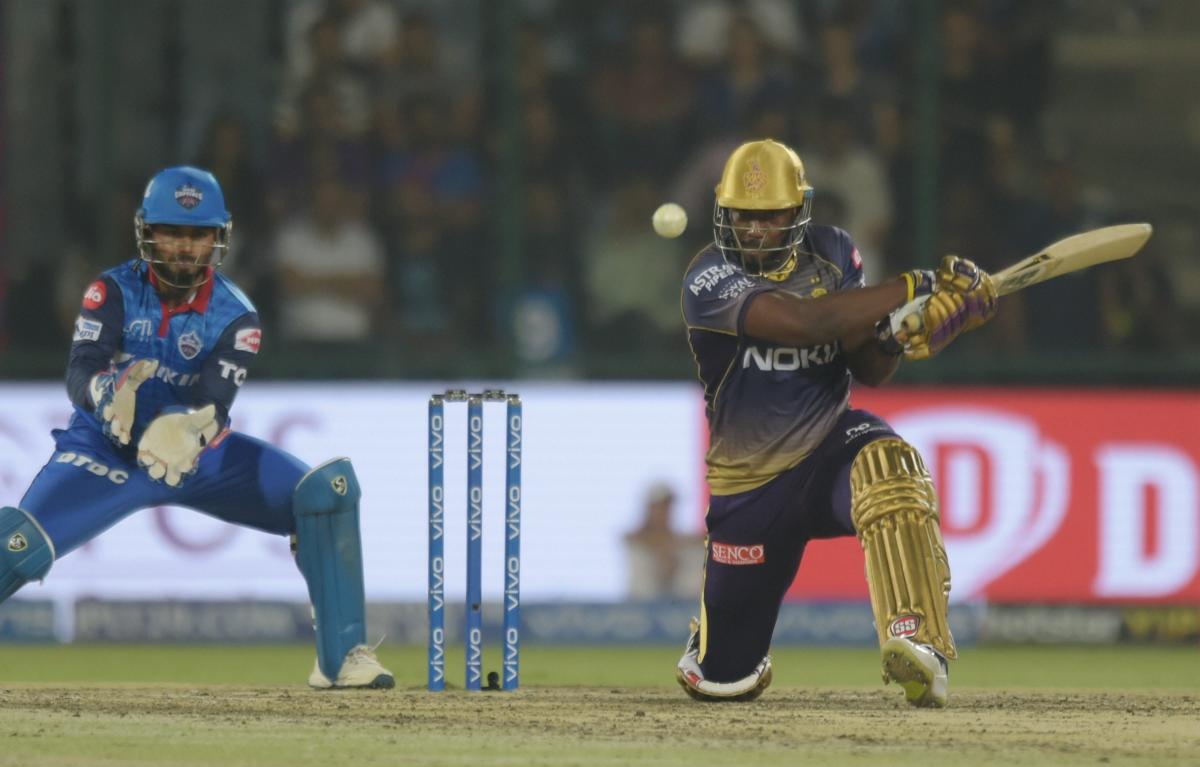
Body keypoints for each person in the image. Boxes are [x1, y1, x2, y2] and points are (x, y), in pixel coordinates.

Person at [0, 166, 392, 690]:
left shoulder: (236, 316)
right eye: (172, 232)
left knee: (326, 494)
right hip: (105, 450)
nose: (185, 247)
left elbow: (215, 403)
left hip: (194, 454)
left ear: (218, 238)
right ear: (147, 232)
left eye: (198, 234)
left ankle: (341, 658)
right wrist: (104, 394)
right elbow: (81, 370)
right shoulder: (110, 291)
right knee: (21, 544)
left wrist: (190, 430)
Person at [675, 139, 996, 707]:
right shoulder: (708, 277)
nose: (752, 229)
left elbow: (867, 366)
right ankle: (716, 644)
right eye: (741, 216)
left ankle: (916, 638)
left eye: (768, 215)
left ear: (798, 211)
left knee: (891, 466)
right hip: (750, 487)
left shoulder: (834, 252)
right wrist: (916, 288)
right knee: (725, 681)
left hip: (829, 451)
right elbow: (805, 323)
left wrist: (899, 332)